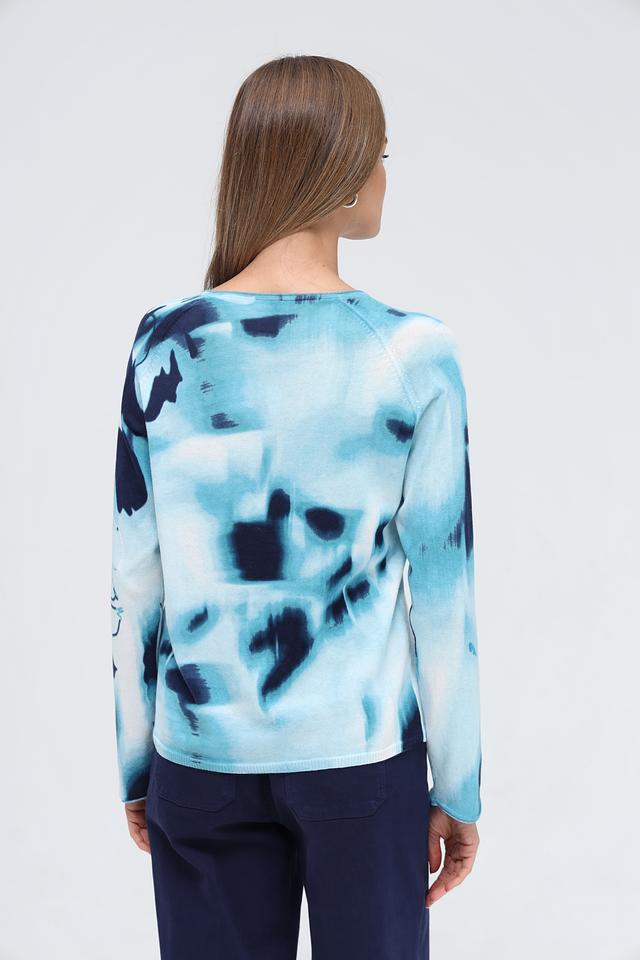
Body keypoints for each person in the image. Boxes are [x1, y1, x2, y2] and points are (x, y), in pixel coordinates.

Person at [110, 54, 482, 959]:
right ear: (341, 169)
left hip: (199, 757)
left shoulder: (165, 342)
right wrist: (459, 787)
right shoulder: (413, 354)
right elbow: (443, 602)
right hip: (360, 761)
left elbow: (136, 581)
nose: (385, 176)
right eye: (381, 154)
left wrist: (136, 763)